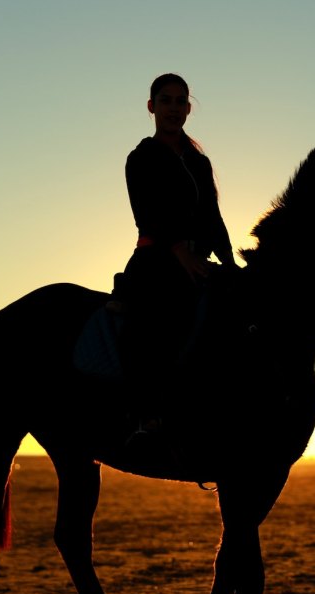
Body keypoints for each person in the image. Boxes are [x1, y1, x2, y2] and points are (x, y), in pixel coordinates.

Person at [115, 73, 235, 438]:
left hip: (199, 260)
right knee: (158, 320)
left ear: (188, 108)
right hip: (156, 260)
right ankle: (146, 414)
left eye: (180, 101)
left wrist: (229, 263)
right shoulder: (141, 159)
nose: (173, 108)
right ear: (152, 107)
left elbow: (212, 217)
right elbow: (146, 213)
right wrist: (180, 250)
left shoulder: (200, 162)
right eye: (165, 100)